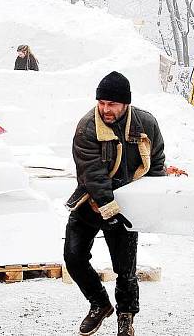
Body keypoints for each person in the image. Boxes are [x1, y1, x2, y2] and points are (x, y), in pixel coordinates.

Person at [64, 71, 166, 336]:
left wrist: (151, 199)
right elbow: (92, 173)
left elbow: (156, 163)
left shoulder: (146, 124)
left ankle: (126, 316)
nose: (105, 109)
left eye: (112, 104)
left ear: (125, 104)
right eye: (101, 103)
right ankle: (99, 304)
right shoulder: (87, 126)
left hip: (129, 203)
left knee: (125, 269)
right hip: (91, 201)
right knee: (73, 258)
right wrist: (107, 208)